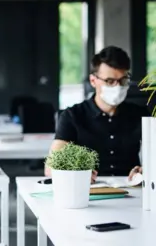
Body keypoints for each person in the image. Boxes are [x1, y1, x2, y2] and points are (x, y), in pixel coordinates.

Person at [45, 46, 149, 179]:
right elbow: (51, 167)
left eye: (123, 80)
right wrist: (78, 175)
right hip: (88, 192)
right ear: (93, 81)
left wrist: (145, 171)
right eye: (110, 81)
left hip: (133, 191)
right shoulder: (72, 116)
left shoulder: (140, 114)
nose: (117, 87)